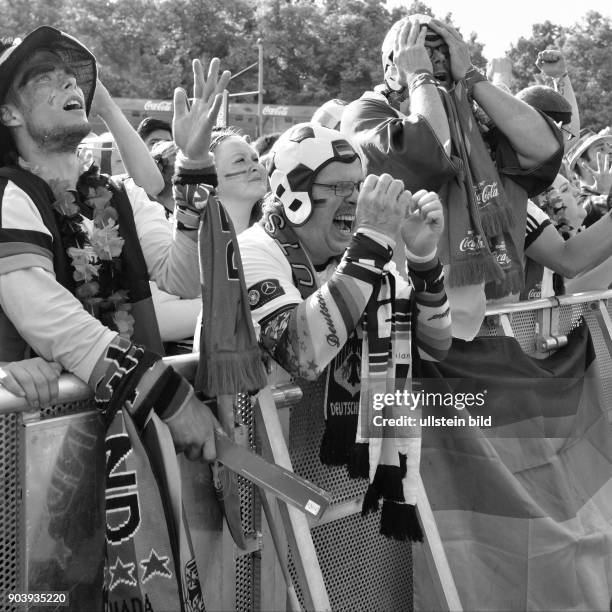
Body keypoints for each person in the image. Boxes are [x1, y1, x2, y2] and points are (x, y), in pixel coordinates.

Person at [0, 25, 231, 460]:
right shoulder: (9, 195)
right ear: (8, 114)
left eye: (70, 76)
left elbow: (183, 278)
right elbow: (53, 320)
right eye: (44, 79)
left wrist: (195, 164)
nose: (69, 83)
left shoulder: (119, 194)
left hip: (134, 440)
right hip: (39, 451)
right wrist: (167, 395)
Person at [239, 123, 452, 540]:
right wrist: (371, 242)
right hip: (253, 484)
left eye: (358, 185)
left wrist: (423, 256)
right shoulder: (252, 250)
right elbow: (301, 351)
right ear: (293, 192)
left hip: (333, 480)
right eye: (338, 187)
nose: (354, 199)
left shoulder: (359, 256)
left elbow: (437, 343)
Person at [341, 14, 563, 339]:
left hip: (470, 329)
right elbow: (431, 150)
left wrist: (472, 76)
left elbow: (543, 149)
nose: (438, 62)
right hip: (396, 329)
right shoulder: (365, 113)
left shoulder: (469, 124)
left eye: (446, 52)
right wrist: (419, 76)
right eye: (424, 52)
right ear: (391, 70)